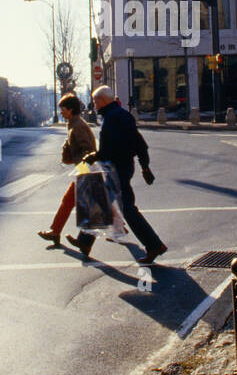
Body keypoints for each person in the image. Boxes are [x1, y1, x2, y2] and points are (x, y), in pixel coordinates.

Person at [69, 86, 167, 263]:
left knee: (122, 208)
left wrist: (91, 157)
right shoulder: (123, 115)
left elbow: (107, 151)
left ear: (104, 101)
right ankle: (85, 241)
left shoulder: (111, 119)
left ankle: (154, 245)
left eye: (96, 101)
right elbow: (140, 144)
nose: (94, 104)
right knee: (106, 203)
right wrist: (145, 167)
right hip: (124, 167)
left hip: (116, 168)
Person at [38, 93, 97, 245]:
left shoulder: (77, 126)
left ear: (71, 110)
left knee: (88, 204)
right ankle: (56, 232)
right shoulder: (74, 123)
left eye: (63, 109)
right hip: (84, 169)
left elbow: (88, 149)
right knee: (71, 201)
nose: (61, 113)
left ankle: (58, 233)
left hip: (86, 170)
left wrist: (82, 167)